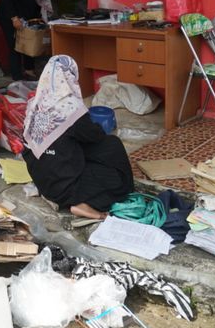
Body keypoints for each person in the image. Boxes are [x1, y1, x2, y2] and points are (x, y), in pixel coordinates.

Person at [20, 55, 134, 220]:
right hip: (65, 190)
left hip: (43, 183)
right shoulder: (70, 109)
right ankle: (82, 204)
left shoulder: (34, 106)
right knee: (113, 153)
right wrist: (91, 122)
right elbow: (95, 136)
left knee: (71, 147)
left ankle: (63, 194)